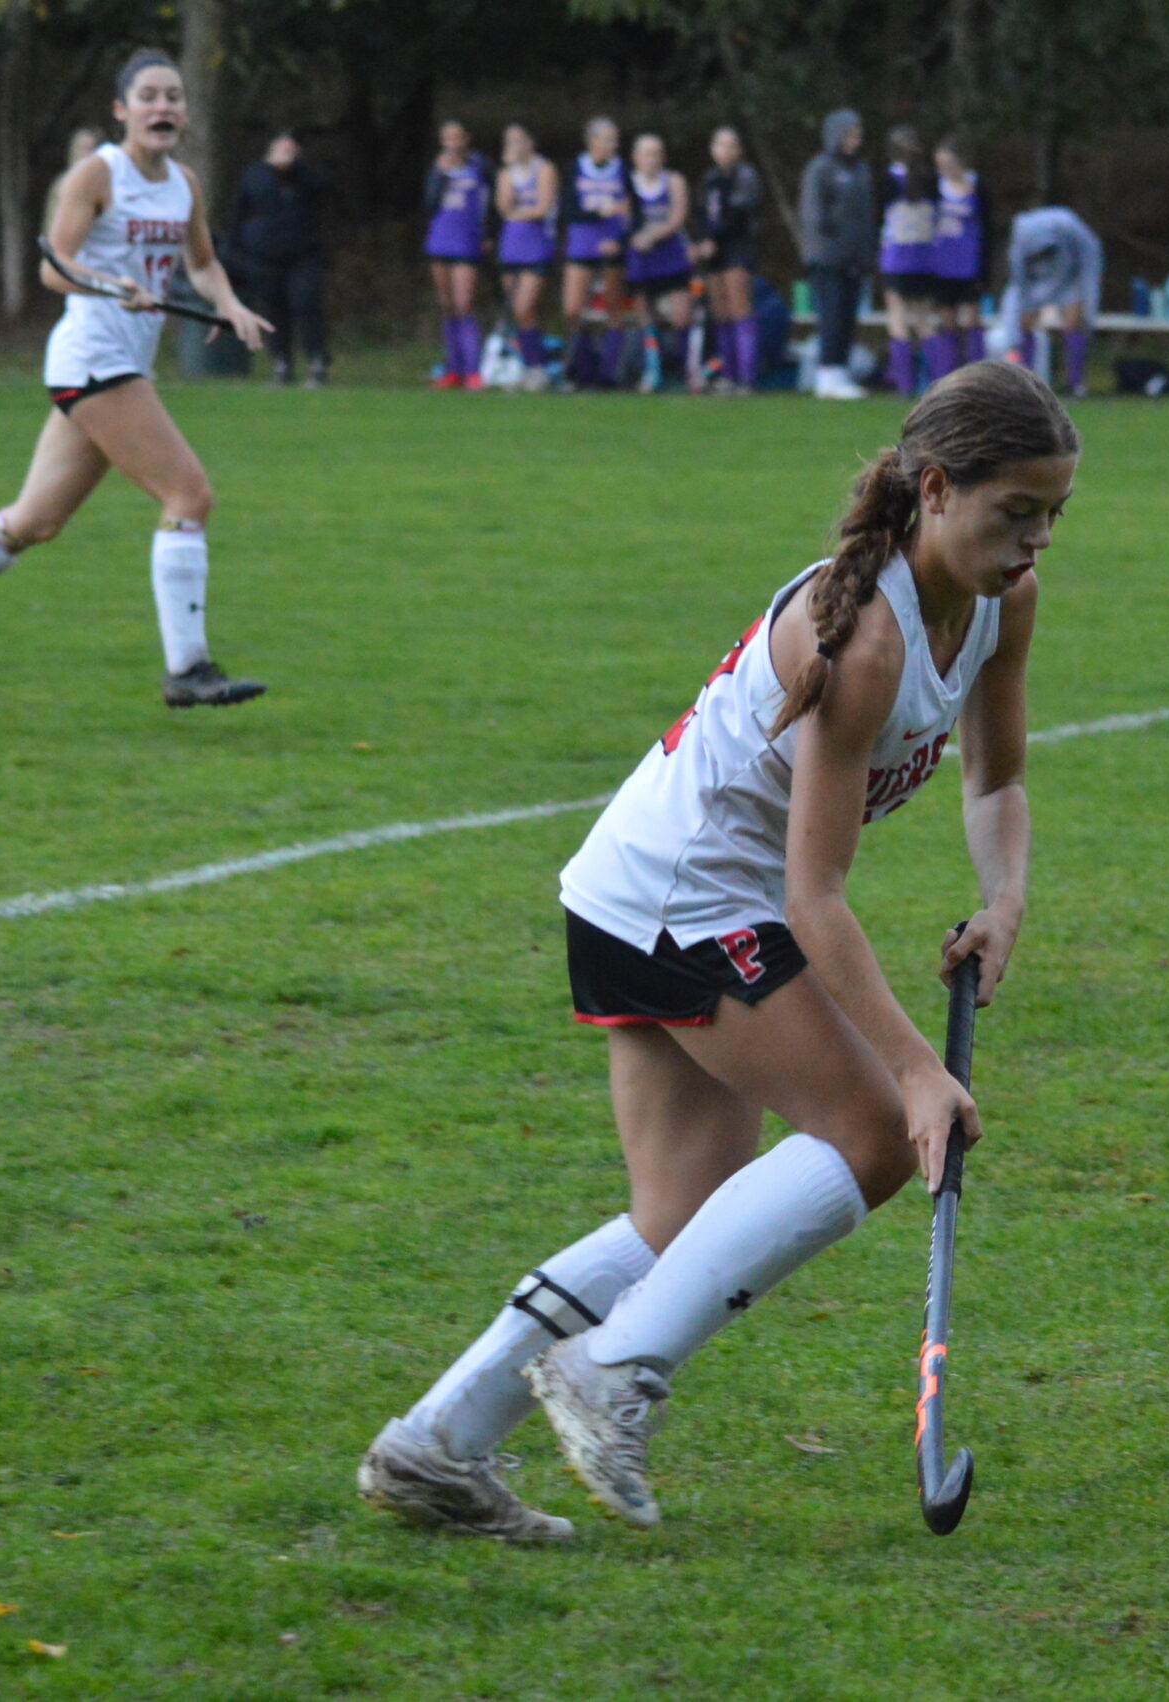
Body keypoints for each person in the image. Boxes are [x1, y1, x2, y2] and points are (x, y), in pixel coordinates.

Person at [355, 360, 1078, 1540]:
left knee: (677, 1215)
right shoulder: (863, 647)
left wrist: (1004, 901)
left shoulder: (1001, 602)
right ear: (937, 488)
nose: (1036, 541)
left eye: (1053, 515)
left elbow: (998, 777)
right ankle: (615, 1366)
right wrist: (912, 1072)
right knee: (868, 1135)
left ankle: (436, 1446)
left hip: (655, 889)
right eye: (1016, 513)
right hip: (676, 899)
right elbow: (815, 896)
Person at [0, 51, 273, 710]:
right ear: (122, 110)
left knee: (34, 521)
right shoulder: (97, 174)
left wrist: (226, 302)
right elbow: (55, 267)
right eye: (149, 96)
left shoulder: (184, 185)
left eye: (174, 96)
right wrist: (114, 285)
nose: (163, 107)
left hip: (115, 366)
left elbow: (202, 264)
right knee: (189, 495)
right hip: (93, 359)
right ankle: (188, 669)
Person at [232, 126, 332, 387]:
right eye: (282, 147)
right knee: (274, 311)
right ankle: (281, 363)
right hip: (265, 256)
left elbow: (325, 191)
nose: (286, 153)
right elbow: (239, 213)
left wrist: (294, 170)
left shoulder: (306, 176)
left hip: (303, 255)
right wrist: (238, 249)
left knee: (305, 303)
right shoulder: (255, 175)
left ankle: (317, 361)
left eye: (291, 148)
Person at [797, 108, 874, 401]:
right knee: (830, 315)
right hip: (828, 259)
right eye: (851, 135)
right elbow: (814, 216)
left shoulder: (861, 170)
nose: (855, 141)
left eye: (858, 135)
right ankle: (826, 372)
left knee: (847, 316)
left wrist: (864, 252)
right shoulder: (821, 168)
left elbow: (865, 217)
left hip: (855, 259)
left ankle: (841, 370)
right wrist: (828, 249)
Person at [560, 117, 631, 389]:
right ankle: (581, 370)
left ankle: (609, 374)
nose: (614, 144)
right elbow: (568, 208)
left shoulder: (621, 169)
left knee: (613, 310)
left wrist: (620, 238)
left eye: (615, 139)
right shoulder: (576, 168)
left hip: (611, 244)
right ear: (592, 141)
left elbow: (629, 208)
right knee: (573, 309)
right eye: (608, 138)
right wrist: (597, 211)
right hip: (582, 245)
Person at [1004, 205, 1102, 397]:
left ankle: (1074, 383)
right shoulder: (1020, 239)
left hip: (1068, 277)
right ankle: (1026, 382)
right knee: (1025, 323)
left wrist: (1088, 305)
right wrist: (1027, 306)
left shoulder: (1069, 226)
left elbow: (1090, 263)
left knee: (1074, 321)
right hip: (1035, 280)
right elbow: (1020, 280)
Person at [692, 126, 762, 394]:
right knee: (720, 311)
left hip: (736, 248)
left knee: (739, 308)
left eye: (732, 145)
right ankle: (728, 374)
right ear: (712, 149)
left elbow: (739, 214)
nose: (726, 150)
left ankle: (747, 377)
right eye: (721, 144)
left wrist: (713, 239)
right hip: (713, 252)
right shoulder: (709, 179)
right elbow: (703, 215)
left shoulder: (746, 176)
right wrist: (701, 241)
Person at [622, 133, 694, 390]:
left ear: (662, 157)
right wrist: (632, 237)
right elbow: (623, 218)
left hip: (670, 255)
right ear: (635, 157)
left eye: (656, 153)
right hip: (640, 257)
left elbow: (677, 217)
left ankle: (685, 370)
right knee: (645, 317)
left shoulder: (673, 181)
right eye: (645, 153)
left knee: (681, 316)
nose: (651, 159)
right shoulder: (628, 183)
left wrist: (653, 235)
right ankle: (652, 370)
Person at [423, 121, 489, 390]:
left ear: (466, 139)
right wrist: (441, 175)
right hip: (440, 240)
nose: (452, 143)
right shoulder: (438, 168)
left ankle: (473, 371)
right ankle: (453, 369)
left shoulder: (480, 166)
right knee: (447, 305)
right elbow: (429, 205)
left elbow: (491, 201)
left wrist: (489, 234)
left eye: (457, 137)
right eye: (447, 138)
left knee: (464, 304)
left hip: (467, 241)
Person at [876, 127, 941, 397]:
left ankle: (905, 386)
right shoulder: (931, 180)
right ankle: (940, 385)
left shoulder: (888, 181)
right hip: (925, 259)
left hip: (897, 259)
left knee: (899, 319)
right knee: (925, 321)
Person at [492, 123, 558, 389]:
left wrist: (518, 214)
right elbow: (503, 207)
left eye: (521, 141)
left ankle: (537, 367)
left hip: (537, 245)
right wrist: (508, 170)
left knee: (525, 306)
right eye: (511, 142)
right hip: (512, 245)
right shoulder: (507, 172)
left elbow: (542, 207)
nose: (516, 146)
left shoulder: (545, 169)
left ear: (531, 143)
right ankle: (527, 365)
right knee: (517, 311)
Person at [929, 137, 985, 374]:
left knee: (973, 319)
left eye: (948, 163)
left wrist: (984, 267)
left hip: (969, 263)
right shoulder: (934, 188)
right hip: (942, 265)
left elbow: (986, 227)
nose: (944, 170)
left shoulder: (977, 186)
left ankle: (979, 373)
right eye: (940, 165)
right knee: (948, 321)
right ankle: (947, 375)